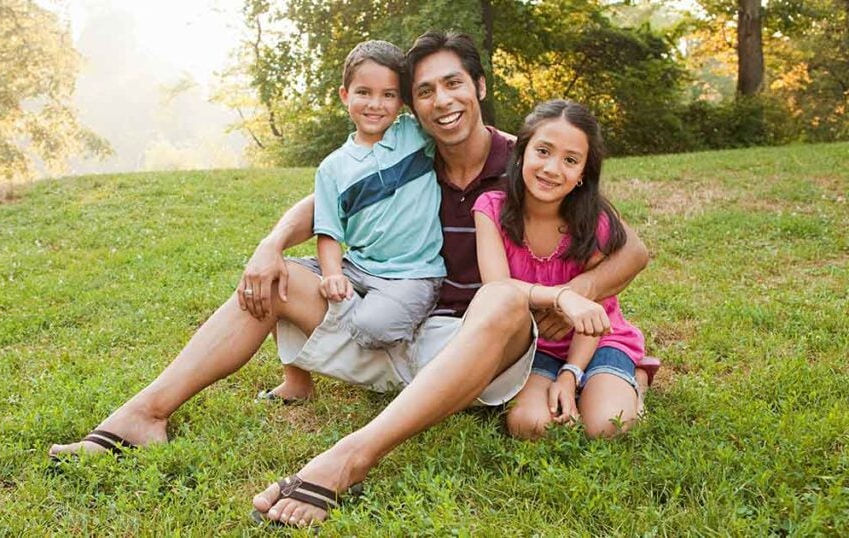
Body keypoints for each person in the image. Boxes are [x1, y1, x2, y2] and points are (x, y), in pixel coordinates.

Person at [48, 31, 649, 528]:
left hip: (487, 342)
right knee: (276, 280)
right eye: (426, 91)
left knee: (499, 299)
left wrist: (574, 296)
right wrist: (270, 245)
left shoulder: (527, 159)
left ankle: (348, 460)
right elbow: (325, 199)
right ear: (411, 105)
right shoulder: (409, 153)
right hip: (402, 323)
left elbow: (631, 252)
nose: (443, 101)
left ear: (479, 87)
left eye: (454, 84)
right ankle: (144, 414)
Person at [258, 40, 445, 404]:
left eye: (388, 94)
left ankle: (399, 354)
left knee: (370, 327)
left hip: (414, 273)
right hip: (358, 266)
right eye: (364, 92)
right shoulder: (333, 168)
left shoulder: (415, 135)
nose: (376, 104)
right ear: (345, 95)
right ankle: (296, 381)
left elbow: (476, 136)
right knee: (277, 280)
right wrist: (332, 275)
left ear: (402, 101)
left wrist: (529, 146)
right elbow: (328, 231)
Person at [474, 99, 648, 439]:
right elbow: (496, 287)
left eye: (570, 160)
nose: (552, 168)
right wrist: (563, 298)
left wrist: (570, 375)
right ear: (521, 151)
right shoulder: (491, 209)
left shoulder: (593, 222)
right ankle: (581, 386)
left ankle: (635, 381)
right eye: (543, 151)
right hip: (535, 348)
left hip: (597, 342)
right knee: (528, 425)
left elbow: (594, 315)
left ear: (583, 173)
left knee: (608, 426)